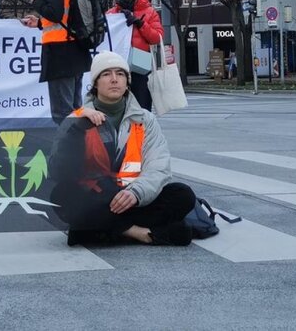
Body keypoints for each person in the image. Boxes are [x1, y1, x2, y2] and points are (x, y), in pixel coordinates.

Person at [49, 51, 196, 246]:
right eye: (106, 74)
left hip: (132, 198)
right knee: (62, 194)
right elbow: (58, 171)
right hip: (96, 198)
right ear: (95, 84)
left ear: (127, 81)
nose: (114, 79)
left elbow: (158, 166)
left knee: (182, 194)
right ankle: (140, 233)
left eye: (120, 74)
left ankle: (105, 230)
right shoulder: (76, 119)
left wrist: (136, 193)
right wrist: (76, 132)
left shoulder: (145, 119)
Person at [20, 0, 93, 124]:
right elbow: (66, 16)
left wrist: (36, 0)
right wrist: (39, 23)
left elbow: (55, 13)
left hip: (60, 54)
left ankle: (69, 152)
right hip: (76, 49)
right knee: (76, 111)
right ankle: (78, 151)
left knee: (63, 115)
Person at [108, 0, 162, 111]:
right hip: (117, 66)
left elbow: (157, 38)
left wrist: (140, 23)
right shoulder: (111, 13)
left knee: (141, 107)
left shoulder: (149, 12)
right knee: (118, 107)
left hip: (140, 67)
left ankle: (141, 132)